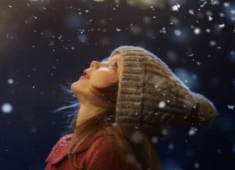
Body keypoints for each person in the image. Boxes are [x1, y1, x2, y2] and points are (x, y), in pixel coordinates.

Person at [44, 45, 218, 170]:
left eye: (113, 66)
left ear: (127, 95)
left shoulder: (107, 149)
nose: (96, 63)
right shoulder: (75, 142)